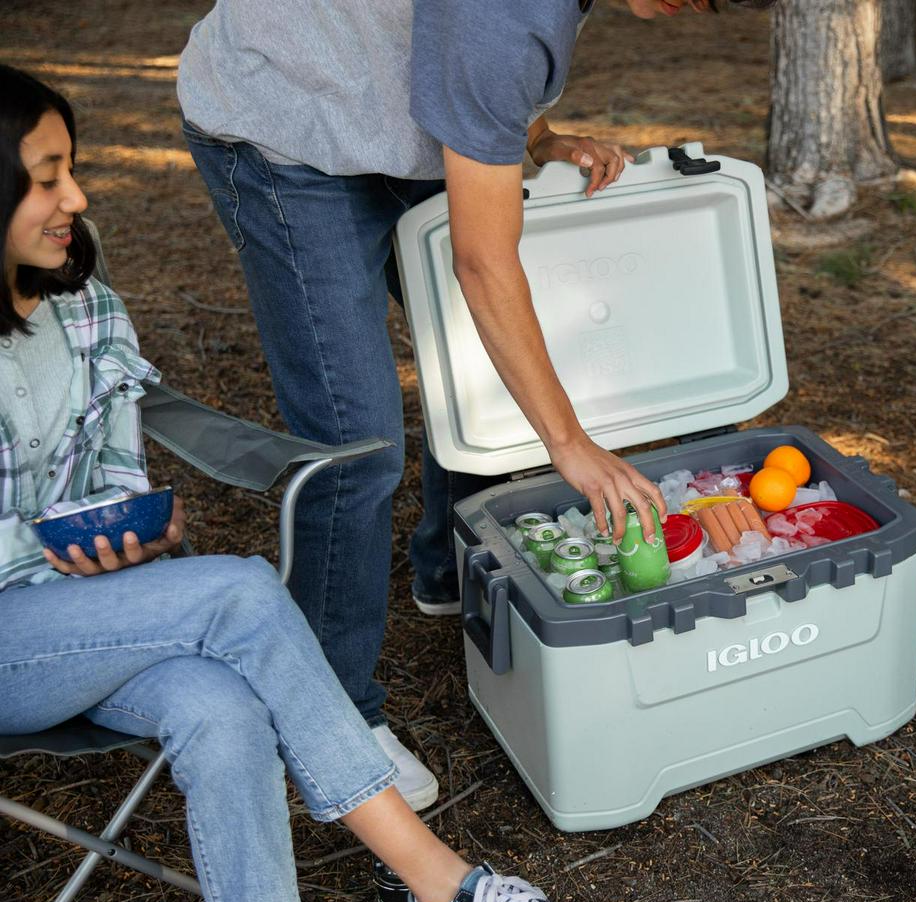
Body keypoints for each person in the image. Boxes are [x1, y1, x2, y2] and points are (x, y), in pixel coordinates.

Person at [0, 64, 623, 902]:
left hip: (88, 619)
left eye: (71, 169)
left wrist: (118, 536)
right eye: (46, 178)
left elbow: (109, 466)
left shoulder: (80, 301)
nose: (76, 197)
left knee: (220, 707)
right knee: (239, 591)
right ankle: (442, 889)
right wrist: (48, 551)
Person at [173, 0, 778, 809]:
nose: (684, 9)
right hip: (286, 128)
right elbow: (486, 265)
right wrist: (569, 442)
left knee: (489, 372)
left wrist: (532, 138)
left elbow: (453, 57)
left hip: (389, 121)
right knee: (356, 447)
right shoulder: (507, 11)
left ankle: (447, 566)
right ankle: (327, 721)